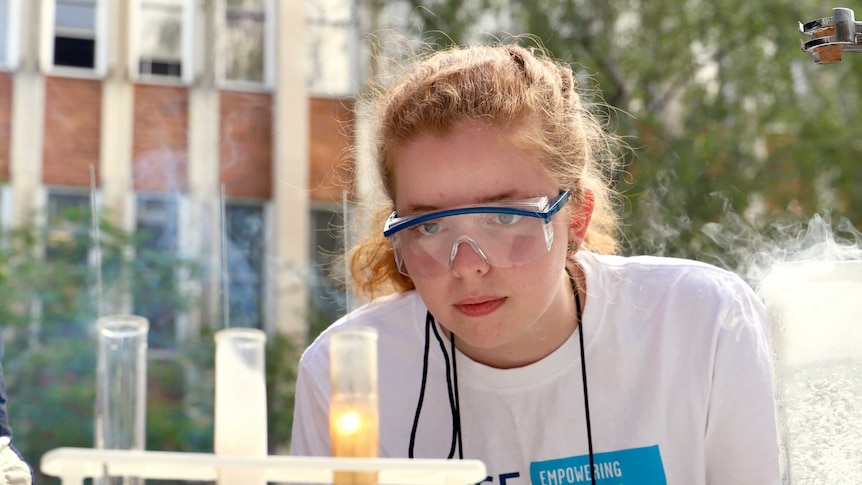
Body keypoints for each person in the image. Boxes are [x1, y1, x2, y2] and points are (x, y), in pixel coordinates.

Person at [290, 42, 780, 484]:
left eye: (504, 217)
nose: (466, 266)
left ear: (577, 218)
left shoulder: (700, 322)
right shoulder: (349, 374)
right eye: (431, 226)